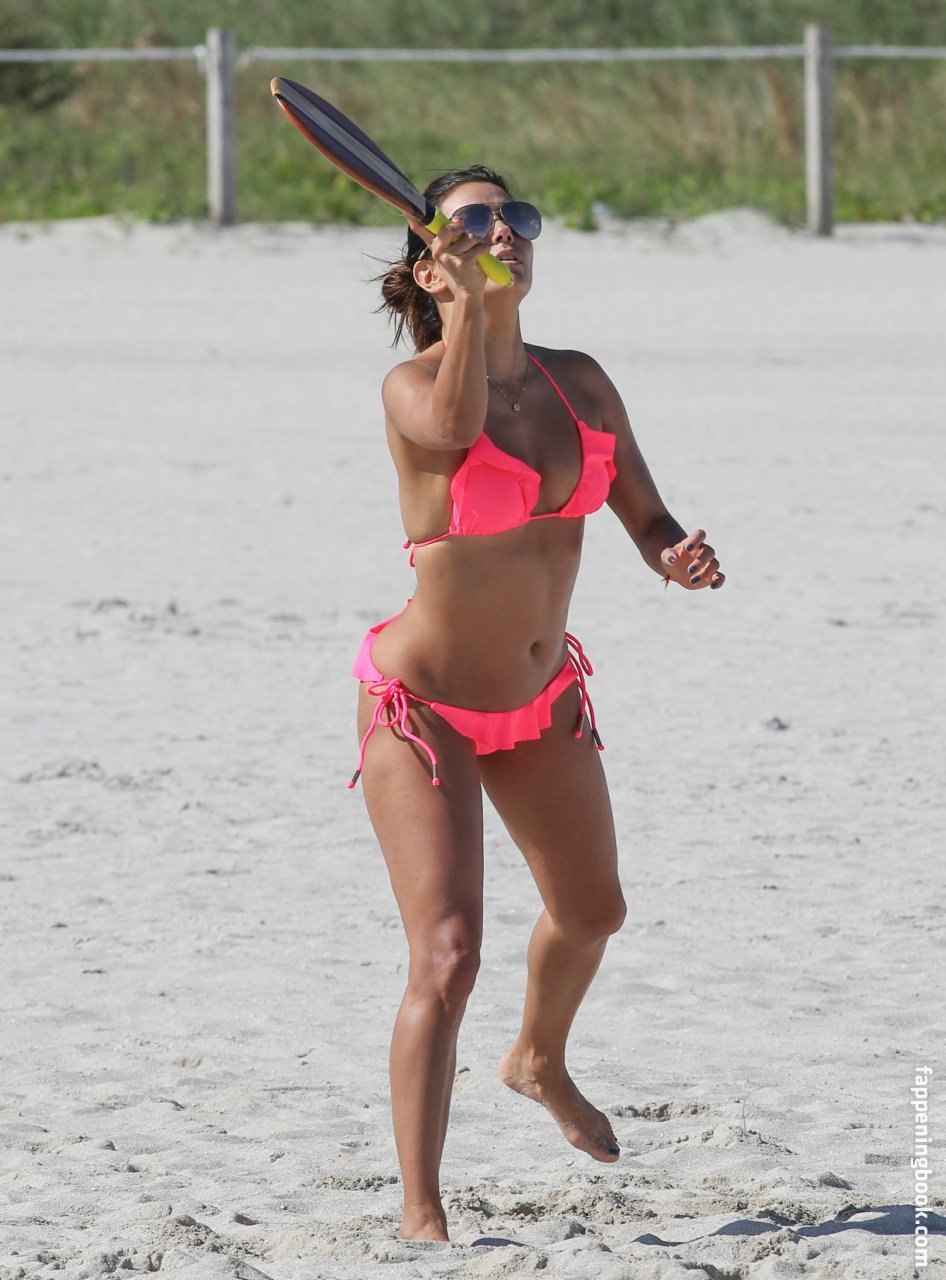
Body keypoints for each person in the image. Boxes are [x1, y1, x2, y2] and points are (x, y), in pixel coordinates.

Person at [349, 164, 724, 1242]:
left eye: (516, 216)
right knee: (448, 954)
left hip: (542, 694)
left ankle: (537, 1058)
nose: (503, 230)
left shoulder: (581, 384)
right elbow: (458, 421)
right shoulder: (413, 389)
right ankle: (422, 1214)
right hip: (422, 705)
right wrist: (468, 308)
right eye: (474, 221)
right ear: (432, 266)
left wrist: (675, 554)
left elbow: (645, 514)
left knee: (595, 912)